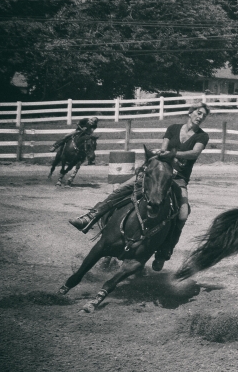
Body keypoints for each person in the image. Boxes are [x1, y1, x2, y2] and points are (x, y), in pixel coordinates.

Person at [69, 104, 210, 271]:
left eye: (203, 115)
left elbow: (194, 153)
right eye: (198, 113)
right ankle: (91, 216)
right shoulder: (173, 128)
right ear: (190, 112)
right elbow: (162, 152)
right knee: (123, 188)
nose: (200, 117)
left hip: (178, 179)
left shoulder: (202, 136)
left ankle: (164, 251)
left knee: (183, 213)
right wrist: (160, 157)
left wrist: (173, 155)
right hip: (160, 172)